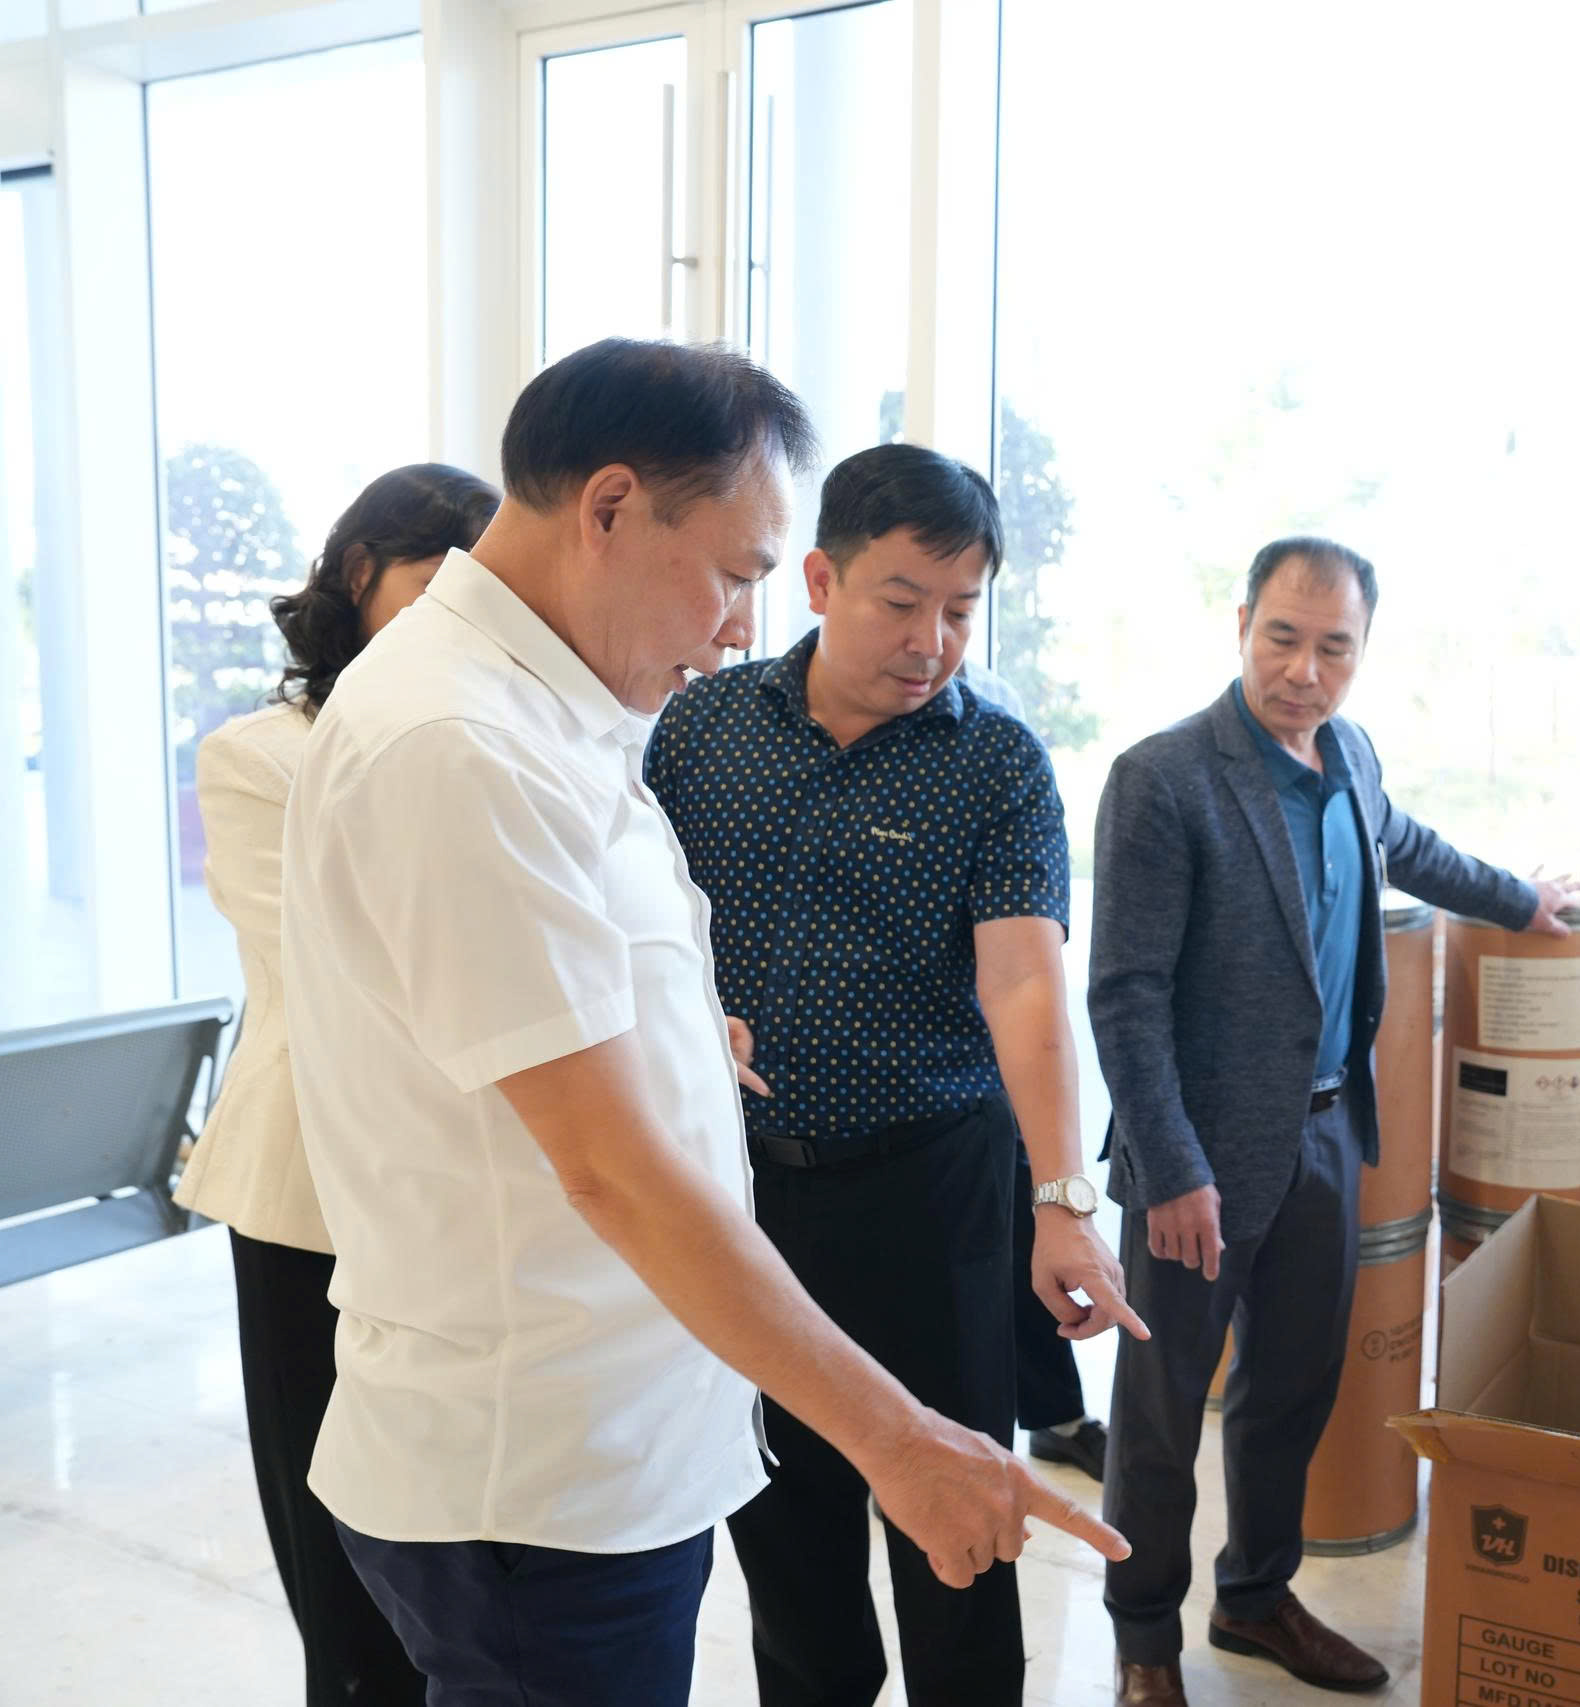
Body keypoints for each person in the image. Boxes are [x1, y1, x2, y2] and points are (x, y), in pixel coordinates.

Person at [280, 340, 1125, 1707]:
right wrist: (899, 1440)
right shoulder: (464, 744)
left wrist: (680, 1034)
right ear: (611, 507)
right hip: (539, 1476)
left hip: (635, 1413)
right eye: (735, 574)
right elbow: (607, 1167)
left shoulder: (553, 709)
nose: (738, 625)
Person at [644, 441, 1142, 1707]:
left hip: (932, 1197)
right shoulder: (702, 727)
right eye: (902, 602)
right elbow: (636, 914)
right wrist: (686, 1018)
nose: (932, 643)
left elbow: (1024, 987)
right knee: (781, 1516)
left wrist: (1063, 1202)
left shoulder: (996, 762)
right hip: (742, 1190)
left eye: (961, 611)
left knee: (961, 1514)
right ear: (820, 580)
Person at [1089, 537, 1577, 1707]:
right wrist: (1171, 1168)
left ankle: (1255, 1598)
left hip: (1323, 1136)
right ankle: (1143, 1639)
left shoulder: (1349, 753)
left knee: (1292, 1389)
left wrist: (1517, 898)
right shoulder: (1163, 778)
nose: (1304, 672)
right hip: (1195, 1159)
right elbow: (1126, 994)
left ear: (1361, 653)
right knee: (1161, 1416)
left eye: (1334, 649)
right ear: (1241, 624)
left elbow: (1402, 845)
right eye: (1282, 638)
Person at [175, 462, 498, 1707]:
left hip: (460, 1196)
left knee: (449, 1549)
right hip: (307, 1190)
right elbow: (341, 966)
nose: (457, 615)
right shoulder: (260, 755)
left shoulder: (493, 744)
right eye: (431, 583)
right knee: (337, 1557)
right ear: (356, 576)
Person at [958, 654, 1112, 1481]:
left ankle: (1057, 1416)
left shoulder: (996, 711)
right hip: (920, 1071)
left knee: (1030, 1226)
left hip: (1000, 1053)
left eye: (958, 606)